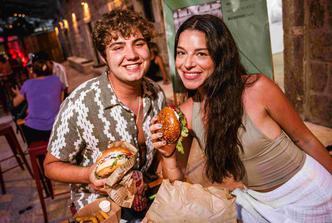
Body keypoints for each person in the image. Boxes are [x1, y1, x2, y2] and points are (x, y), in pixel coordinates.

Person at [150, 14, 332, 222]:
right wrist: (168, 155)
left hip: (308, 195)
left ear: (219, 57)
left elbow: (305, 139)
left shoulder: (258, 89)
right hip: (257, 203)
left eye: (201, 54)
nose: (187, 63)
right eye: (181, 53)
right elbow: (179, 188)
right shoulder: (185, 114)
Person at [43, 9, 175, 220]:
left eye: (138, 43)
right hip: (103, 209)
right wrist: (88, 174)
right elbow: (50, 166)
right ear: (104, 56)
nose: (131, 55)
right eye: (117, 47)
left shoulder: (155, 93)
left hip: (149, 200)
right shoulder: (81, 103)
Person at [11, 54, 65, 145]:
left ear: (34, 72)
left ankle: (38, 156)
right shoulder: (56, 80)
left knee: (26, 122)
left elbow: (15, 103)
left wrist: (18, 94)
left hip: (35, 131)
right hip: (57, 127)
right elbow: (60, 101)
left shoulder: (28, 83)